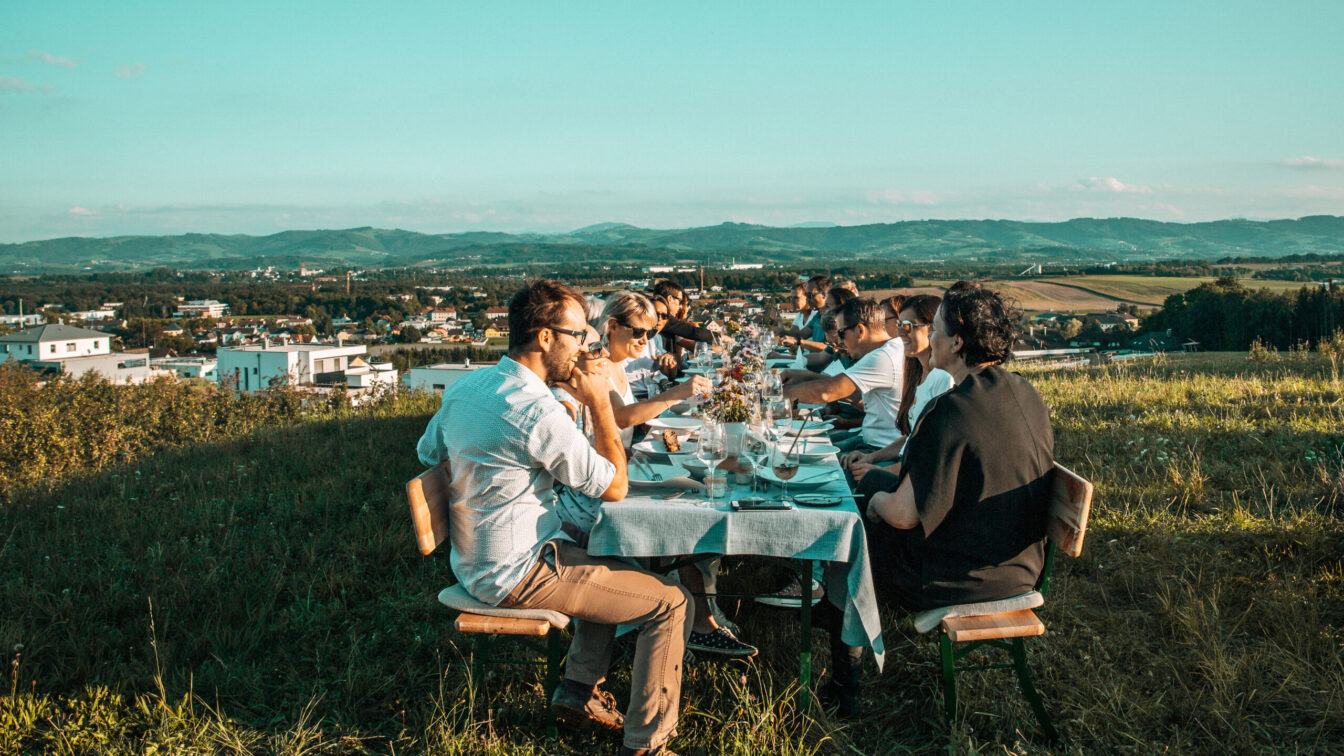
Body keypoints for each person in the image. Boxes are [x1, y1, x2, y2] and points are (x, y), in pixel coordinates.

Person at [416, 279, 691, 756]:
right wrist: (601, 400)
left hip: (477, 559)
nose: (586, 346)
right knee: (671, 602)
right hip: (517, 570)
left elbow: (427, 450)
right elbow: (615, 487)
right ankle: (647, 745)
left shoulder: (468, 387)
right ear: (545, 337)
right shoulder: (538, 411)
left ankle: (579, 691)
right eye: (579, 335)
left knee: (612, 554)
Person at [817, 282, 1055, 717]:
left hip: (961, 578)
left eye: (939, 329)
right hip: (1021, 566)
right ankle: (835, 621)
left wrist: (872, 505)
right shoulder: (1025, 392)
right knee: (867, 504)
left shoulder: (950, 409)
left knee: (848, 541)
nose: (933, 338)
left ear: (958, 341)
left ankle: (844, 687)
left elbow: (905, 515)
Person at [841, 294, 955, 485]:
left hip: (914, 478)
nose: (901, 332)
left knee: (840, 479)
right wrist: (870, 458)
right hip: (902, 466)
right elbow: (909, 438)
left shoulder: (943, 378)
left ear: (932, 328)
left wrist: (878, 470)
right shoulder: (917, 375)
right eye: (899, 325)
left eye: (909, 325)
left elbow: (932, 454)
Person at [784, 296, 905, 453]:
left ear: (860, 330)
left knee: (797, 455)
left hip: (878, 448)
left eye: (841, 333)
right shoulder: (890, 349)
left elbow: (827, 391)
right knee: (798, 448)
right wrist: (801, 377)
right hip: (868, 438)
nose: (840, 343)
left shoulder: (882, 357)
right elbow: (849, 392)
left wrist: (775, 394)